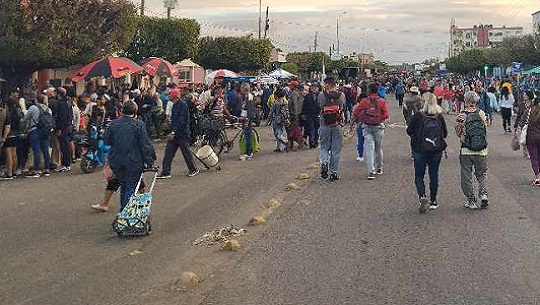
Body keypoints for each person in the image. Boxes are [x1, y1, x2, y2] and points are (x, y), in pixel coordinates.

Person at [104, 100, 156, 211]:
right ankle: (126, 214)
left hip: (117, 161)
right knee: (131, 186)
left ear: (122, 111)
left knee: (124, 186)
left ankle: (123, 211)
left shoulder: (114, 124)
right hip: (133, 161)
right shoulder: (138, 124)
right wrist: (150, 161)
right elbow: (145, 145)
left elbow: (107, 141)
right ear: (135, 112)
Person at [407, 93, 448, 213]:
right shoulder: (439, 116)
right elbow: (444, 133)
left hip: (419, 149)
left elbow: (409, 131)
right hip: (436, 150)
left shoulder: (418, 116)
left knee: (419, 175)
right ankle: (434, 201)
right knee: (433, 174)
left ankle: (422, 196)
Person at [455, 91, 489, 210]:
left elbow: (458, 132)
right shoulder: (482, 113)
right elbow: (485, 129)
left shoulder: (462, 114)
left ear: (465, 100)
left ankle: (471, 201)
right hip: (481, 150)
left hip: (466, 150)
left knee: (466, 176)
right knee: (481, 174)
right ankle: (483, 195)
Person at [157, 88, 199, 179]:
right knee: (168, 153)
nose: (168, 96)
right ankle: (166, 171)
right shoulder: (175, 105)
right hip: (176, 134)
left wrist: (173, 132)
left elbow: (181, 121)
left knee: (186, 153)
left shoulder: (182, 105)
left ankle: (193, 169)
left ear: (175, 96)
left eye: (170, 94)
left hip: (182, 134)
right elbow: (176, 120)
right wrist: (169, 122)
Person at [353, 83, 390, 180]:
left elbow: (355, 112)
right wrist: (379, 119)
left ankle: (371, 171)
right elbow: (386, 115)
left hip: (366, 126)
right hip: (378, 126)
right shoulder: (382, 101)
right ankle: (379, 168)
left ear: (368, 91)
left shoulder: (364, 101)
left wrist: (363, 118)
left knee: (369, 149)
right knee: (378, 148)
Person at [318, 77, 346, 181]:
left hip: (324, 124)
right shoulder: (341, 95)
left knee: (324, 146)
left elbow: (320, 106)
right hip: (337, 124)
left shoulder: (321, 95)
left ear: (327, 84)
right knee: (336, 150)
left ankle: (324, 162)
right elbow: (343, 106)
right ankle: (333, 172)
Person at [23, 94, 53, 178]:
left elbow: (25, 119)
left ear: (36, 99)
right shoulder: (49, 109)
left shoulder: (33, 108)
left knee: (36, 151)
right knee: (45, 150)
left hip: (35, 131)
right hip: (46, 131)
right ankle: (47, 169)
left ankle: (37, 170)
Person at [0, 88, 23, 180]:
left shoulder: (6, 112)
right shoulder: (17, 106)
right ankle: (13, 172)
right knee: (14, 154)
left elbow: (7, 124)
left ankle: (9, 173)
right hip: (17, 131)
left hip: (9, 133)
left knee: (8, 154)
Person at [55, 88, 74, 173]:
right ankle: (67, 164)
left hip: (64, 128)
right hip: (69, 127)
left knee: (64, 147)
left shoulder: (61, 104)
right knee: (67, 146)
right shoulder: (69, 103)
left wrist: (59, 129)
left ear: (59, 94)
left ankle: (65, 164)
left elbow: (61, 118)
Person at [514, 90, 534, 159]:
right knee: (525, 138)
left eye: (525, 95)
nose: (523, 96)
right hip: (523, 124)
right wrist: (516, 125)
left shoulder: (534, 105)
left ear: (529, 96)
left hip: (532, 124)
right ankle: (526, 153)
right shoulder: (522, 105)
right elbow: (519, 115)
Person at [301, 83, 321, 149]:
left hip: (317, 115)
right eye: (313, 87)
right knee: (311, 129)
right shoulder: (307, 96)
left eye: (316, 87)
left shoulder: (321, 96)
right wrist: (303, 114)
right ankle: (312, 143)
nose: (314, 89)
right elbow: (304, 106)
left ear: (318, 88)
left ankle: (316, 142)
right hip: (309, 115)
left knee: (317, 129)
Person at [526, 96, 540, 186]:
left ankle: (537, 177)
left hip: (531, 137)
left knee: (534, 157)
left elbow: (523, 122)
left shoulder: (529, 111)